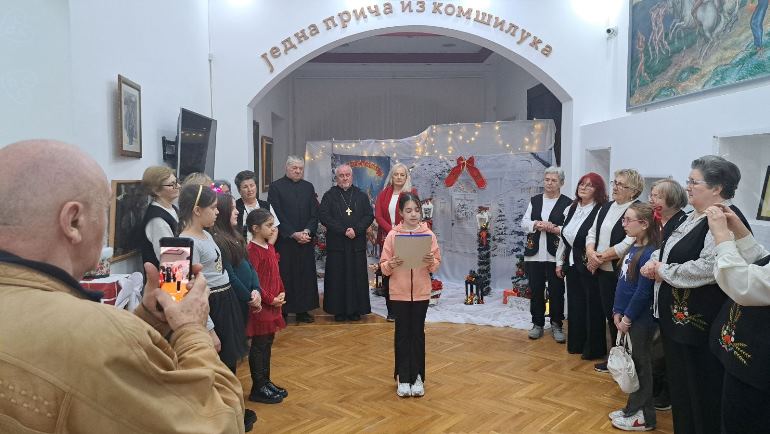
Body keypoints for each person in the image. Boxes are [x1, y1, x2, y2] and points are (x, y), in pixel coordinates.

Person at [0, 140, 245, 432]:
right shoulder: (95, 333)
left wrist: (146, 319)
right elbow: (218, 423)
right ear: (73, 221)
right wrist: (192, 330)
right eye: (105, 209)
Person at [640, 155, 751, 434]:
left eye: (694, 181)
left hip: (699, 326)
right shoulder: (691, 216)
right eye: (688, 180)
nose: (687, 186)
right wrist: (654, 261)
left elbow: (710, 267)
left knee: (701, 393)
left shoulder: (724, 218)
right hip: (677, 323)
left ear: (717, 188)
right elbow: (667, 248)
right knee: (683, 393)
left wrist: (663, 270)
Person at [706, 203, 770, 433]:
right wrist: (741, 233)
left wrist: (722, 237)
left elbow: (743, 284)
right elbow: (764, 263)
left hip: (758, 371)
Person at [179, 184, 248, 374]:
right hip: (211, 306)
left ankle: (230, 394)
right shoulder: (184, 242)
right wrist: (209, 328)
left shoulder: (206, 234)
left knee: (229, 362)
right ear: (197, 210)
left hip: (225, 300)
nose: (217, 212)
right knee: (216, 363)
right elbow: (183, 293)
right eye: (213, 207)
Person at [379, 192, 441, 397]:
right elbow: (383, 267)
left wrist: (431, 261)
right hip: (399, 294)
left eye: (416, 210)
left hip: (421, 293)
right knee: (402, 335)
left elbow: (436, 264)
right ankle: (403, 377)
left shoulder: (429, 235)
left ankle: (418, 377)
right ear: (401, 213)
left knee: (418, 335)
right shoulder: (393, 235)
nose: (413, 214)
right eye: (408, 210)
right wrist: (391, 264)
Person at [608, 203, 660, 431]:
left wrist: (627, 317)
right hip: (626, 315)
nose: (624, 224)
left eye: (628, 220)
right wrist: (617, 311)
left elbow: (642, 292)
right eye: (623, 220)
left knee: (641, 366)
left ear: (644, 224)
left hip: (640, 319)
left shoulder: (650, 252)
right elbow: (623, 284)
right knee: (634, 363)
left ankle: (644, 416)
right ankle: (632, 409)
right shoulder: (633, 246)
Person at [585, 169, 644, 372]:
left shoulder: (637, 210)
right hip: (600, 268)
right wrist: (591, 253)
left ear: (633, 190)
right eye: (615, 183)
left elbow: (628, 243)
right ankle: (615, 357)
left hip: (619, 272)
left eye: (621, 184)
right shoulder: (606, 206)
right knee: (608, 315)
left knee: (619, 316)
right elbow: (592, 232)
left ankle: (625, 361)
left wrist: (598, 259)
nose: (615, 187)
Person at [647, 178, 689, 411]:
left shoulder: (681, 222)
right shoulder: (658, 222)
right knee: (658, 344)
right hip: (657, 287)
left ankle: (666, 393)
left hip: (674, 293)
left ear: (672, 200)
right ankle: (656, 387)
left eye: (657, 196)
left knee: (665, 348)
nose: (652, 199)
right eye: (652, 195)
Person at [555, 172, 607, 357]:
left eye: (589, 185)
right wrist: (559, 262)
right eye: (581, 184)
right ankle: (576, 344)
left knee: (592, 307)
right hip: (572, 263)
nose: (583, 187)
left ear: (597, 190)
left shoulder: (600, 210)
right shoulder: (572, 207)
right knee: (575, 305)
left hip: (589, 264)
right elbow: (564, 237)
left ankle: (593, 349)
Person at [521, 166, 572, 342]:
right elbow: (524, 222)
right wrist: (536, 224)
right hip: (534, 254)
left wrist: (554, 228)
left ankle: (557, 324)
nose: (549, 183)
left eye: (554, 180)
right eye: (547, 180)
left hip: (555, 255)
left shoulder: (568, 203)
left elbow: (570, 229)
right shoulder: (535, 200)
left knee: (557, 291)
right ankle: (537, 324)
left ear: (561, 183)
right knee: (536, 290)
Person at [267, 155, 320, 324]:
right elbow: (275, 214)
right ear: (287, 168)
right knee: (285, 276)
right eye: (294, 168)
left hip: (305, 240)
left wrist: (307, 231)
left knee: (305, 276)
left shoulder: (308, 187)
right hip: (285, 242)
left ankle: (303, 310)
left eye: (300, 168)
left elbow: (314, 213)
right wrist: (292, 233)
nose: (298, 171)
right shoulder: (276, 187)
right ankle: (283, 310)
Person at [319, 164, 375, 321]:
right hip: (337, 245)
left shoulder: (361, 195)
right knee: (338, 278)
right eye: (341, 175)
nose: (344, 178)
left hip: (356, 245)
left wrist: (356, 230)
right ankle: (339, 311)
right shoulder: (329, 196)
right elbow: (324, 216)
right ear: (336, 178)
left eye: (347, 175)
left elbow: (369, 215)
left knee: (356, 277)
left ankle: (356, 310)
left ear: (352, 176)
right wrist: (344, 230)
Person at [246, 208, 288, 404]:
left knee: (268, 343)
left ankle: (266, 381)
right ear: (256, 228)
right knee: (259, 346)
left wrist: (281, 292)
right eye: (269, 225)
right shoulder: (252, 251)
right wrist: (270, 299)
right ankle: (258, 386)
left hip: (273, 304)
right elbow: (254, 282)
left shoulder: (269, 247)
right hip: (262, 307)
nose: (273, 229)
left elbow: (275, 273)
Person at [210, 193, 262, 327]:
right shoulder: (219, 240)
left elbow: (250, 266)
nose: (237, 211)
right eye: (232, 208)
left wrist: (256, 289)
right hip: (235, 300)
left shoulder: (235, 235)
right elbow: (230, 276)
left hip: (248, 297)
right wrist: (249, 297)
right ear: (223, 212)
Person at [374, 162, 416, 321]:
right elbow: (378, 216)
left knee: (405, 275)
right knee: (388, 273)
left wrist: (400, 230)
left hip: (406, 237)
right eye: (396, 174)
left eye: (402, 174)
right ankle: (391, 311)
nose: (399, 177)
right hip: (387, 238)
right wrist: (392, 231)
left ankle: (405, 309)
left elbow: (413, 215)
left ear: (406, 177)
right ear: (391, 176)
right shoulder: (383, 194)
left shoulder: (412, 193)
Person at [136, 165, 180, 268]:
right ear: (156, 190)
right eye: (172, 184)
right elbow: (169, 259)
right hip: (166, 276)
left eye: (177, 182)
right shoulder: (157, 220)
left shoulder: (172, 208)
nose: (178, 186)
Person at [234, 170, 279, 243]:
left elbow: (275, 229)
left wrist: (267, 247)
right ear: (239, 190)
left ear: (256, 186)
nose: (249, 189)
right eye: (245, 187)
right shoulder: (235, 207)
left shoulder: (266, 205)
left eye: (252, 185)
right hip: (242, 248)